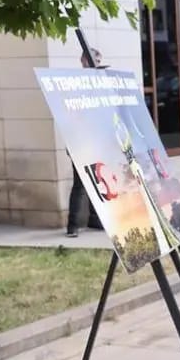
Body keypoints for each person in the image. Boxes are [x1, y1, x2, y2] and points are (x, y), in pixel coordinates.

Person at [66, 48, 109, 237]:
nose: (97, 64)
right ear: (83, 61)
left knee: (97, 180)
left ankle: (95, 220)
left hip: (97, 139)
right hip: (80, 141)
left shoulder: (99, 83)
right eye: (94, 60)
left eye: (99, 60)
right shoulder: (77, 85)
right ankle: (73, 226)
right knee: (80, 184)